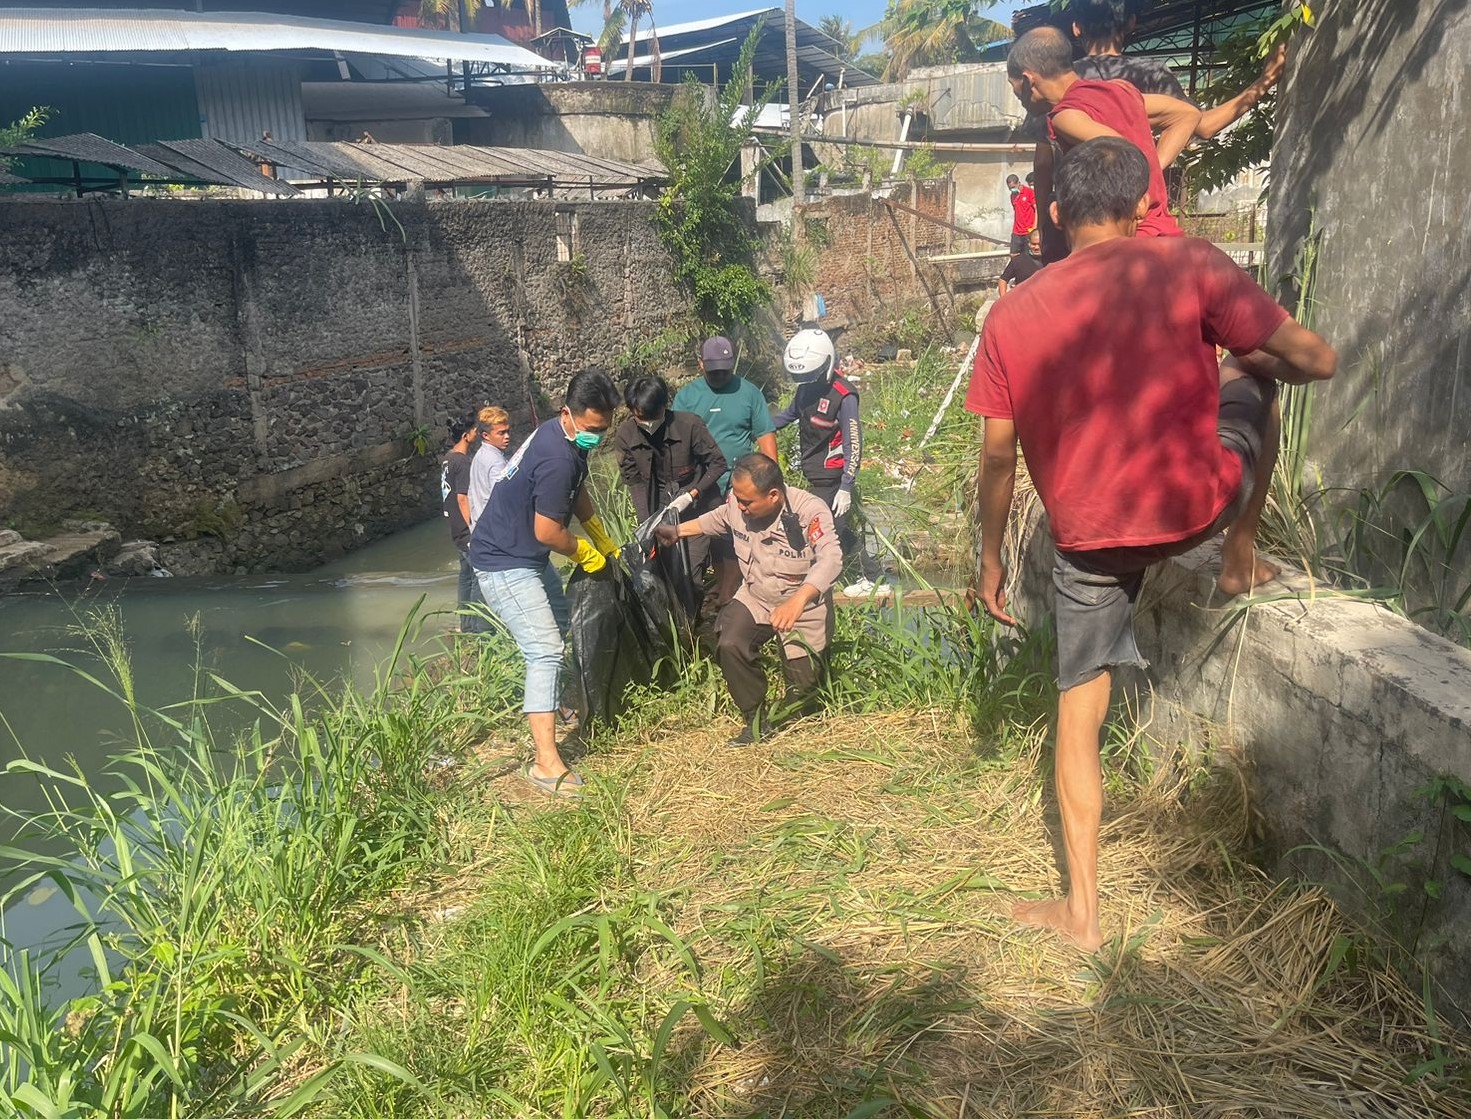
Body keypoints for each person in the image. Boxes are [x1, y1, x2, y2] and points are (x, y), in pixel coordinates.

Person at [967, 137, 1336, 950]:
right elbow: (1316, 358)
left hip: (1089, 538)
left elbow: (996, 457)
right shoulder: (1189, 262)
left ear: (1054, 214)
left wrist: (990, 559)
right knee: (1255, 379)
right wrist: (1244, 350)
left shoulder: (1010, 313)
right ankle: (1238, 556)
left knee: (1078, 709)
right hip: (1198, 505)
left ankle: (1083, 913)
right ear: (1141, 207)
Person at [471, 370, 623, 799]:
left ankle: (554, 704)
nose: (597, 436)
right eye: (591, 428)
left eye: (603, 429)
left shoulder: (563, 437)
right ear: (567, 413)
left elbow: (575, 490)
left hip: (525, 554)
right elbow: (548, 532)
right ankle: (544, 763)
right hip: (504, 561)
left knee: (560, 623)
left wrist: (599, 533)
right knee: (544, 650)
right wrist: (586, 553)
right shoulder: (558, 455)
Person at [656, 453, 841, 747]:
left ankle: (795, 710)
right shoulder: (737, 504)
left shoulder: (810, 511)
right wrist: (678, 531)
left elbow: (831, 559)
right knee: (730, 642)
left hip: (802, 605)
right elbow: (719, 518)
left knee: (802, 696)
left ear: (773, 495)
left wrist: (798, 601)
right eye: (738, 499)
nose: (740, 507)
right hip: (757, 595)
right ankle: (755, 720)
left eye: (747, 502)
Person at [1010, 26, 1198, 243]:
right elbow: (1188, 114)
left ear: (1027, 80)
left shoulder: (1065, 116)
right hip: (1163, 229)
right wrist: (1154, 165)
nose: (1016, 95)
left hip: (1124, 238)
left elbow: (1124, 153)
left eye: (1013, 86)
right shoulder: (1120, 89)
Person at [774, 327, 887, 598]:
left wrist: (846, 486)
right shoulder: (805, 391)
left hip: (834, 480)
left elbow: (853, 442)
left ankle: (867, 579)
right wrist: (757, 426)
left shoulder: (844, 395)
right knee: (837, 531)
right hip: (814, 476)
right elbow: (787, 416)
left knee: (827, 532)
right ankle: (873, 576)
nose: (806, 381)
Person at [1071, 0, 1287, 141]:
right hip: (1136, 194)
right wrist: (1265, 80)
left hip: (1070, 196)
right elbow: (1205, 126)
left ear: (1076, 27)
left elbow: (1050, 153)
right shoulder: (1151, 74)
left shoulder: (1064, 78)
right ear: (1131, 23)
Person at [672, 337, 779, 610]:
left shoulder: (749, 393)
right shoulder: (687, 397)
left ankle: (738, 593)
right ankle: (721, 587)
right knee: (712, 538)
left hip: (739, 481)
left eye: (725, 370)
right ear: (700, 364)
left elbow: (766, 439)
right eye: (714, 371)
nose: (720, 376)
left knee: (739, 537)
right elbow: (676, 443)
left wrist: (769, 482)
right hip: (702, 483)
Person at [613, 375, 728, 612]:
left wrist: (692, 494)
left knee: (689, 575)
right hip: (660, 513)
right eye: (640, 417)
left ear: (664, 406)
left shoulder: (689, 425)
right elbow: (635, 482)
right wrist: (646, 526)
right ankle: (680, 620)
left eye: (651, 416)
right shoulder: (626, 435)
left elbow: (718, 463)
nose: (647, 423)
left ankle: (694, 621)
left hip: (697, 508)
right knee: (664, 573)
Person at [441, 411, 490, 633]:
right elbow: (462, 498)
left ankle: (466, 624)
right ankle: (479, 628)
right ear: (465, 435)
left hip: (454, 526)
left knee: (466, 577)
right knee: (479, 577)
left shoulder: (448, 458)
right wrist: (474, 527)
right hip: (466, 527)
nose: (476, 434)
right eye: (474, 431)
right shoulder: (462, 462)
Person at [467, 405, 513, 529]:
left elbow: (471, 494)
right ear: (485, 435)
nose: (507, 436)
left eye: (508, 431)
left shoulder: (479, 455)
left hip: (480, 525)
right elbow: (502, 500)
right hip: (495, 529)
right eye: (501, 433)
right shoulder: (497, 462)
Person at [998, 228, 1045, 295]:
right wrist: (1003, 299)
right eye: (1033, 244)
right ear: (1029, 243)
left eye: (1039, 244)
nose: (1036, 247)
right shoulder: (1018, 260)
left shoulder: (1052, 260)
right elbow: (1003, 280)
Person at [1006, 173, 1037, 256]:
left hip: (1028, 230)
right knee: (1014, 255)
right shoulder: (1012, 196)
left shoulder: (1029, 192)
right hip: (1017, 232)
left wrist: (1034, 227)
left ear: (1018, 183)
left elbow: (1036, 209)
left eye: (1013, 187)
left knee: (1029, 256)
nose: (1012, 189)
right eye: (1010, 188)